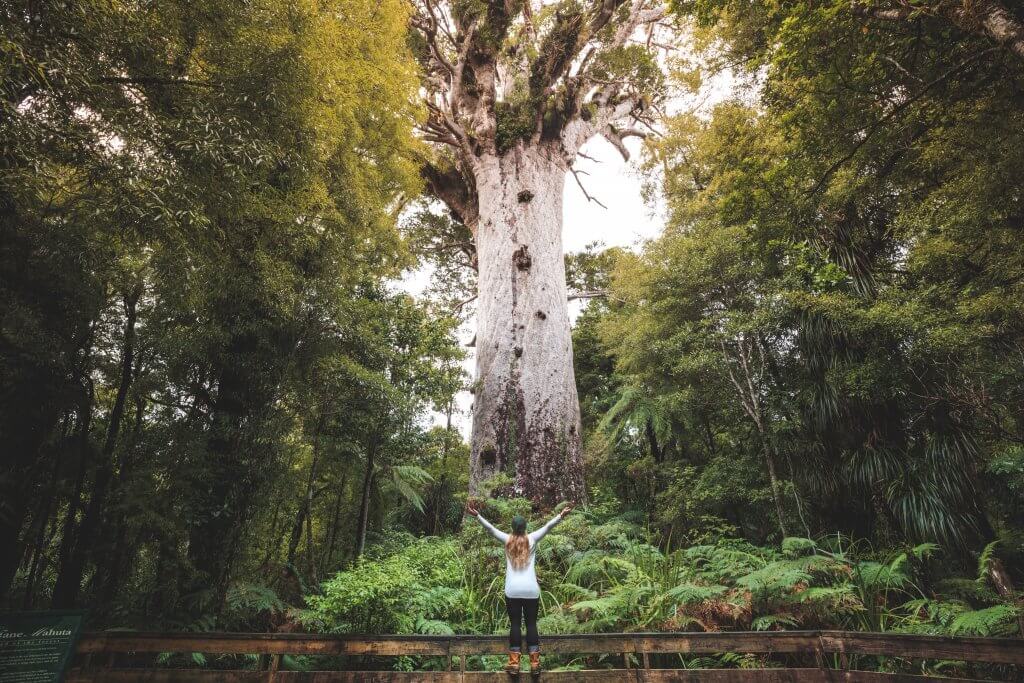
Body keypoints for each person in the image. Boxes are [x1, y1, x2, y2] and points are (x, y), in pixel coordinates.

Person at [465, 500, 573, 674]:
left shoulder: (507, 539)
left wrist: (477, 515)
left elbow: (490, 529)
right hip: (531, 590)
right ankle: (535, 663)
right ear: (525, 527)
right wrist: (561, 515)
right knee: (531, 625)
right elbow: (548, 527)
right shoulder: (532, 538)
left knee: (515, 624)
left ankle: (514, 663)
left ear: (513, 528)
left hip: (512, 590)